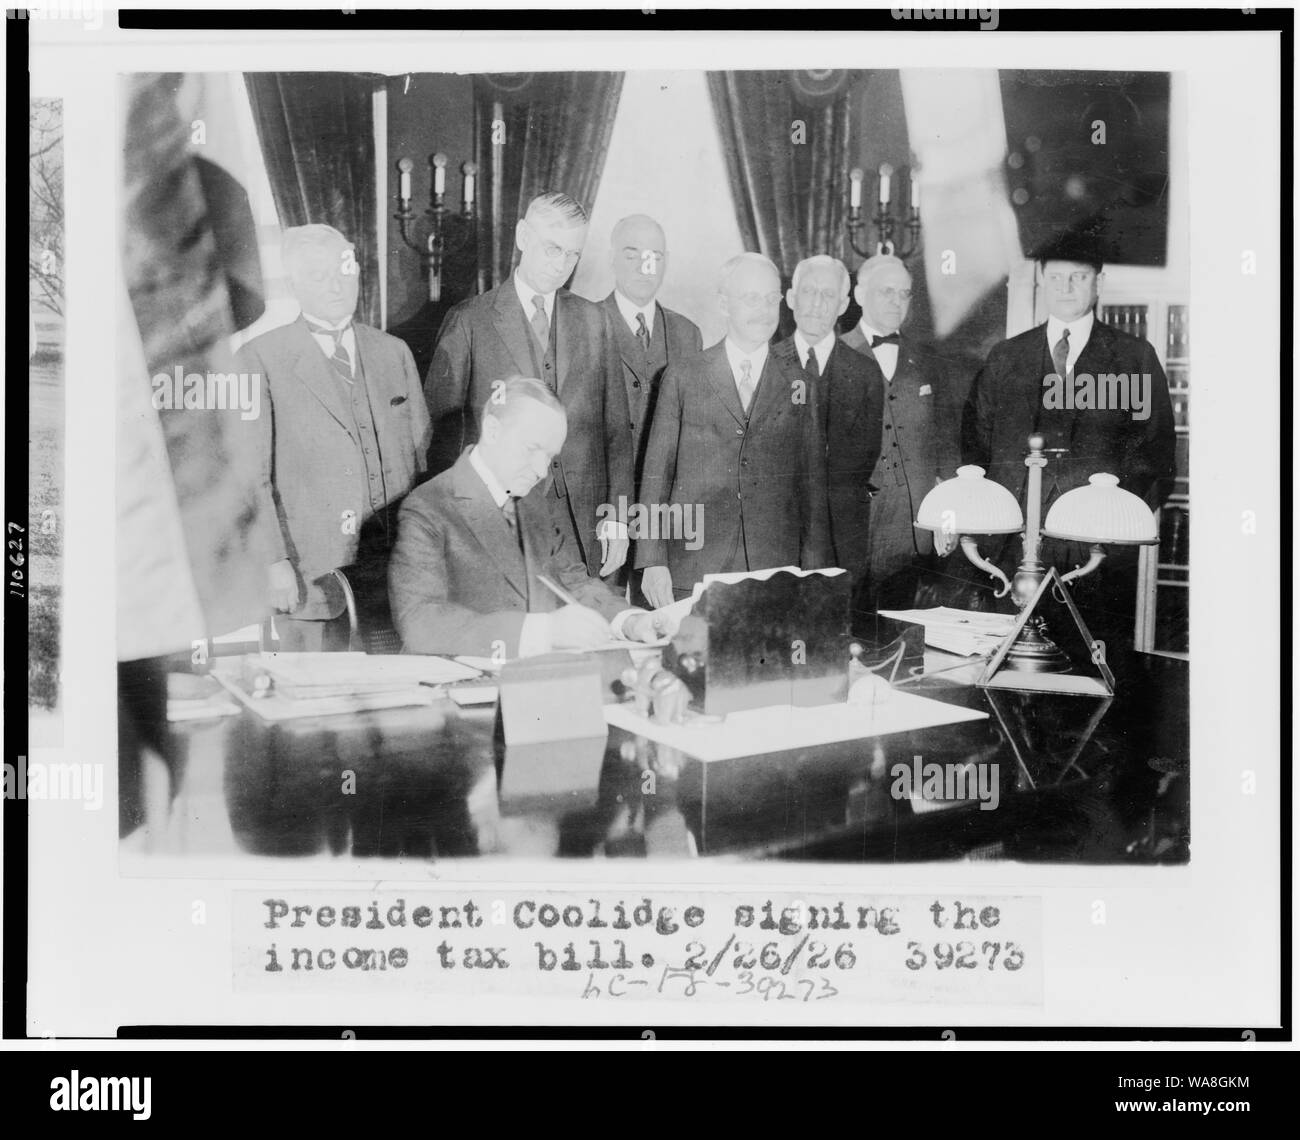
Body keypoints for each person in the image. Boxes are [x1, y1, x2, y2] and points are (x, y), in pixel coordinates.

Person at [961, 231, 1175, 647]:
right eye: (1056, 278)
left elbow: (1155, 453)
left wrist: (1111, 522)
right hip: (1011, 545)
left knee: (1088, 663)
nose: (1066, 287)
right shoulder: (1006, 357)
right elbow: (976, 443)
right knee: (1006, 661)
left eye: (1078, 277)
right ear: (1041, 282)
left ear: (1099, 284)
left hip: (1095, 552)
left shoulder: (1133, 358)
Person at [235, 224, 431, 652]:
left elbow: (421, 461)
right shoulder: (259, 358)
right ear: (294, 284)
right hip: (310, 580)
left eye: (344, 270)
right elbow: (249, 477)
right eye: (319, 274)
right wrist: (274, 562)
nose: (336, 284)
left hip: (394, 579)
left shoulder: (393, 352)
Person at [424, 191, 632, 580]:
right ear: (522, 237)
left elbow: (616, 432)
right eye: (553, 249)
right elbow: (440, 440)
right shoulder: (470, 321)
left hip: (583, 530)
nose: (562, 266)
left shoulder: (595, 321)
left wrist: (617, 518)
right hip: (501, 525)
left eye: (573, 254)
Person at [389, 378, 663, 657]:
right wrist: (542, 631)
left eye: (549, 457)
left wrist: (629, 621)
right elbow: (419, 620)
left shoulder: (534, 504)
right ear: (493, 430)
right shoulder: (428, 506)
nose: (541, 471)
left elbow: (573, 582)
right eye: (532, 449)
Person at [636, 252, 830, 605]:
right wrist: (652, 560)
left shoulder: (801, 383)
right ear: (724, 305)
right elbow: (655, 477)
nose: (764, 309)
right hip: (692, 566)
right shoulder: (683, 375)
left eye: (772, 299)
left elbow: (812, 489)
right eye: (751, 298)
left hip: (774, 570)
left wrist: (814, 575)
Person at [771, 255, 883, 632]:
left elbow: (862, 462)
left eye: (828, 295)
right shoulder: (767, 364)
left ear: (843, 305)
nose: (817, 304)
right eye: (808, 292)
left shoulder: (865, 373)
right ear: (790, 298)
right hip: (775, 541)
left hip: (842, 546)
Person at [841, 253, 945, 611]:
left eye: (904, 293)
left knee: (901, 637)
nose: (896, 301)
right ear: (858, 295)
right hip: (849, 527)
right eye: (886, 291)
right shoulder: (833, 354)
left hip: (909, 529)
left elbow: (945, 442)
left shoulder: (929, 360)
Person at [600, 214, 703, 481]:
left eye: (654, 257)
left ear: (666, 262)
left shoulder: (688, 335)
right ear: (611, 258)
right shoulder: (581, 326)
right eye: (632, 256)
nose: (644, 268)